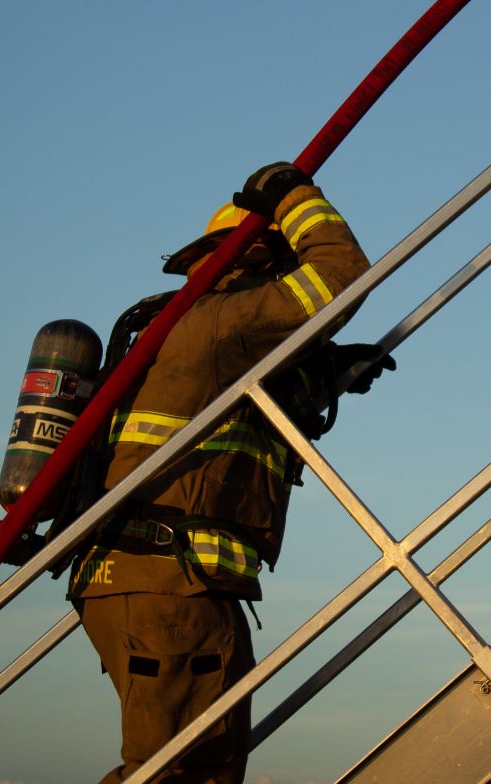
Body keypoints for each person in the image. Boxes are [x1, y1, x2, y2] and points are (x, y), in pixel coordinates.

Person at [68, 161, 387, 783]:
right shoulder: (224, 317)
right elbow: (341, 277)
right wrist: (296, 197)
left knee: (199, 771)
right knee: (175, 775)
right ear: (260, 256)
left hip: (164, 583)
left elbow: (234, 411)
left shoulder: (206, 329)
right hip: (169, 584)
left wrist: (327, 372)